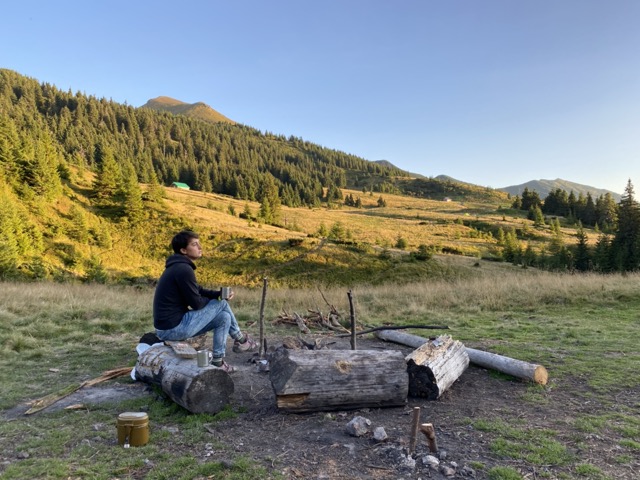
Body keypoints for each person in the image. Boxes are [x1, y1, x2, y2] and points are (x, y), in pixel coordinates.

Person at [153, 230, 256, 372]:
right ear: (183, 250)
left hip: (170, 327)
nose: (200, 247)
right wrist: (218, 300)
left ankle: (218, 362)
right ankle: (240, 339)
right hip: (173, 329)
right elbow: (196, 303)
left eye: (199, 244)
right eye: (194, 244)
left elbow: (198, 290)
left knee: (223, 317)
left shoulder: (178, 267)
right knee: (222, 304)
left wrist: (217, 294)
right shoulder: (183, 269)